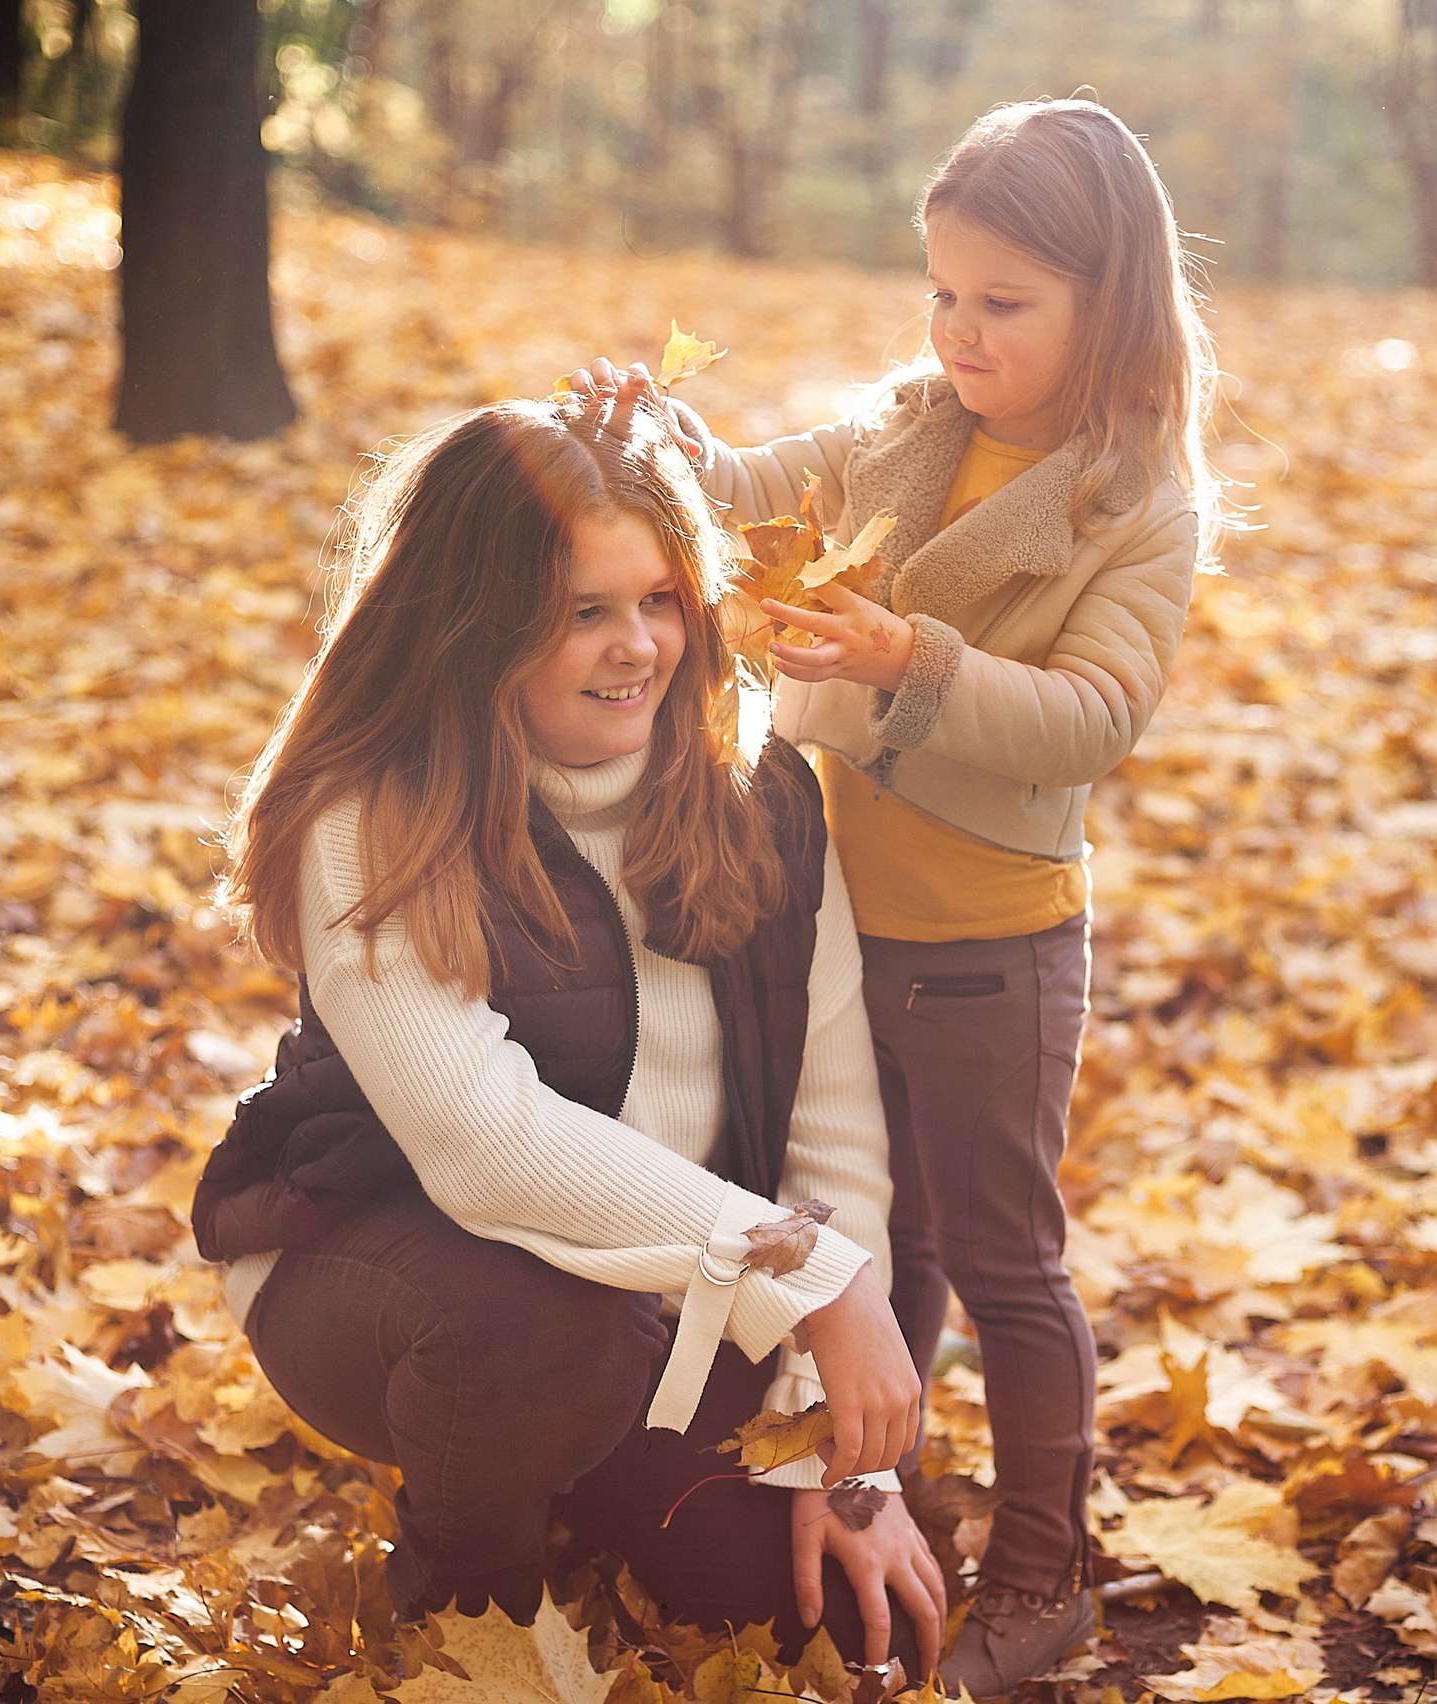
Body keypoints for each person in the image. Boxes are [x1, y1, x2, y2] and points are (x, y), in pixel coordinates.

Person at [573, 95, 1218, 1694]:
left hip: (991, 946)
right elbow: (739, 490)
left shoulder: (1133, 503)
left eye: (1005, 303)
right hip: (835, 931)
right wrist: (647, 435)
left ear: (1109, 301)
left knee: (1003, 1264)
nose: (962, 330)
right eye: (943, 292)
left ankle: (1044, 1574)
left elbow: (1092, 717)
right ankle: (880, 1509)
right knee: (885, 1256)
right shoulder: (904, 426)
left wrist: (908, 657)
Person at [188, 391, 947, 1677]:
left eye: (659, 601)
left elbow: (832, 1110)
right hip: (383, 1272)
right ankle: (456, 1606)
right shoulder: (376, 814)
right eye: (582, 614)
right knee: (547, 1336)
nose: (637, 648)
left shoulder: (758, 789)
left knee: (808, 1615)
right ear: (476, 630)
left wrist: (835, 1450)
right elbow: (483, 1146)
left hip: (677, 1293)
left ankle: (579, 1470)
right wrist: (815, 1280)